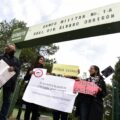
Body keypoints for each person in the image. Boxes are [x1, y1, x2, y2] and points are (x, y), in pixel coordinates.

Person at [0, 43, 20, 120]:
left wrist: (14, 68)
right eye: (11, 47)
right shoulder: (1, 57)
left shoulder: (16, 60)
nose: (13, 49)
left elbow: (18, 70)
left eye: (14, 48)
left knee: (6, 100)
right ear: (6, 48)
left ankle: (2, 117)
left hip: (9, 82)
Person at [24, 55, 45, 120]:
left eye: (43, 60)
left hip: (38, 92)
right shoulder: (32, 67)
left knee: (35, 110)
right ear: (38, 59)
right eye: (41, 59)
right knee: (28, 109)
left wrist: (47, 76)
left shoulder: (44, 70)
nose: (42, 60)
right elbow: (25, 78)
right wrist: (29, 73)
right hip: (30, 91)